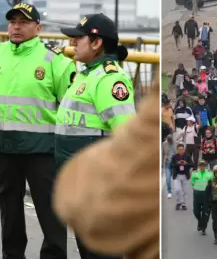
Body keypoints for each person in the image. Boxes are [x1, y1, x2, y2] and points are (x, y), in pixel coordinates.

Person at [0, 3, 77, 258]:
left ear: (38, 28)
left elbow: (71, 108)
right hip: (3, 148)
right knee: (9, 211)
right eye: (12, 22)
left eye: (23, 22)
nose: (16, 27)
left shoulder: (56, 62)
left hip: (42, 151)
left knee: (50, 212)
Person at [56, 13, 136, 258]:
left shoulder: (110, 80)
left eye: (77, 39)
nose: (72, 44)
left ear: (96, 43)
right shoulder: (87, 74)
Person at [53, 80, 159, 259]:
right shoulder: (86, 75)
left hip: (95, 179)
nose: (74, 49)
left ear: (96, 48)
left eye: (78, 47)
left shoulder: (109, 80)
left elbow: (128, 139)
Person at [191, 160, 214, 235]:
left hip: (206, 196)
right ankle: (200, 222)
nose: (202, 167)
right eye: (201, 166)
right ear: (198, 166)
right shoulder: (194, 174)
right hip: (197, 195)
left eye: (203, 166)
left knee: (206, 213)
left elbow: (212, 184)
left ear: (206, 166)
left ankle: (203, 227)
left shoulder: (210, 174)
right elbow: (192, 183)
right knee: (196, 212)